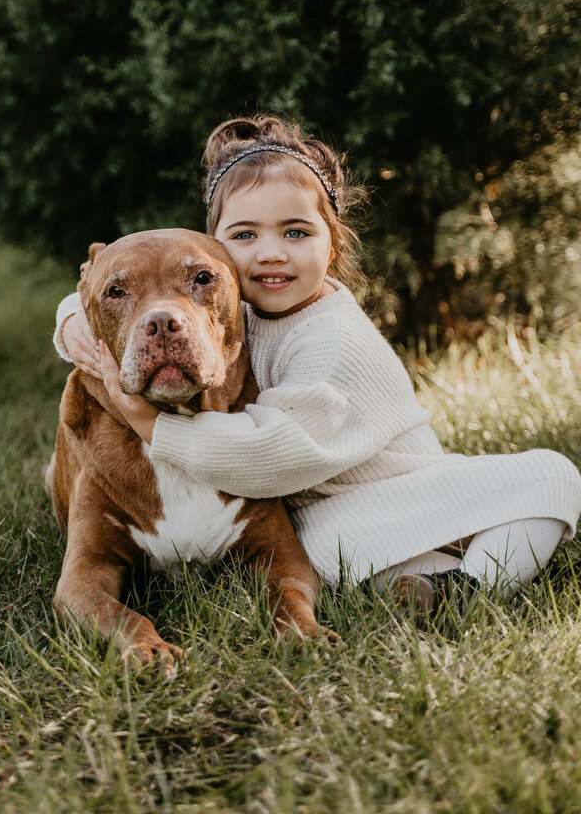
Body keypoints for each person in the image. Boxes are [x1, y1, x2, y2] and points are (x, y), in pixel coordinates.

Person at [53, 115, 581, 616]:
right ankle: (428, 587)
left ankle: (475, 588)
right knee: (324, 554)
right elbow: (128, 281)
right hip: (328, 510)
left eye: (296, 233)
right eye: (245, 236)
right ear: (221, 251)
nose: (271, 253)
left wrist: (149, 423)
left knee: (554, 478)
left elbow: (268, 456)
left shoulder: (332, 338)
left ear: (332, 247)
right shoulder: (244, 306)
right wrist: (74, 321)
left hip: (414, 488)